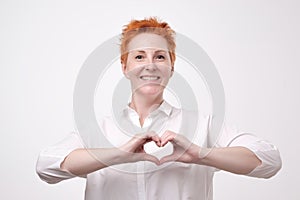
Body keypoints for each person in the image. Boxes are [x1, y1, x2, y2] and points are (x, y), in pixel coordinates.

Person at [36, 17, 282, 200]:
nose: (150, 65)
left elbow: (269, 160)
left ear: (171, 66)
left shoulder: (202, 125)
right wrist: (118, 154)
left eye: (160, 57)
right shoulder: (98, 130)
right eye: (139, 56)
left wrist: (201, 154)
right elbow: (46, 167)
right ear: (125, 66)